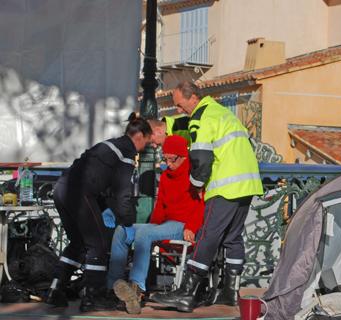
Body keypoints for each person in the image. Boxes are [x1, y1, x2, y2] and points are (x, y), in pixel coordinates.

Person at [152, 81, 263, 312]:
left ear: (193, 98)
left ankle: (187, 293)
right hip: (248, 182)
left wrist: (195, 185)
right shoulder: (222, 112)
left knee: (206, 235)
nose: (179, 110)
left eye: (179, 105)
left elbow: (201, 158)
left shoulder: (202, 117)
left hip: (225, 185)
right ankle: (230, 293)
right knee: (233, 237)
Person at [46, 115, 152, 312]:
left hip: (61, 189)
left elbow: (99, 177)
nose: (145, 147)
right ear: (139, 136)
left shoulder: (110, 145)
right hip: (79, 192)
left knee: (78, 243)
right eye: (147, 141)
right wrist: (127, 222)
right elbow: (123, 192)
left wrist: (106, 208)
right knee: (98, 244)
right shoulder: (126, 151)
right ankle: (93, 297)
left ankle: (55, 289)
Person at [106, 135, 204, 314]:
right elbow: (160, 207)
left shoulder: (194, 175)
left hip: (183, 226)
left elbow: (202, 205)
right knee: (123, 230)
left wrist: (192, 226)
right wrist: (153, 226)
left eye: (171, 159)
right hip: (166, 225)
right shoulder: (166, 176)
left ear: (183, 156)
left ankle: (137, 290)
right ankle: (113, 287)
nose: (168, 163)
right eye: (165, 158)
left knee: (145, 234)